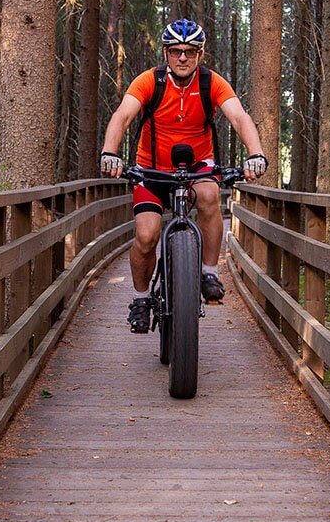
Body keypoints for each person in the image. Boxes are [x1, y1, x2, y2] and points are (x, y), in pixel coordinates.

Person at [100, 18, 268, 333]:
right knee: (147, 236)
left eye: (190, 52)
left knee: (208, 197)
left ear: (200, 55)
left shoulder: (211, 83)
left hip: (198, 167)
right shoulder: (149, 82)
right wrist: (110, 152)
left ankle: (208, 273)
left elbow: (239, 117)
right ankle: (140, 299)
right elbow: (122, 116)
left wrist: (256, 154)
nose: (182, 58)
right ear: (165, 53)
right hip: (150, 169)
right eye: (176, 51)